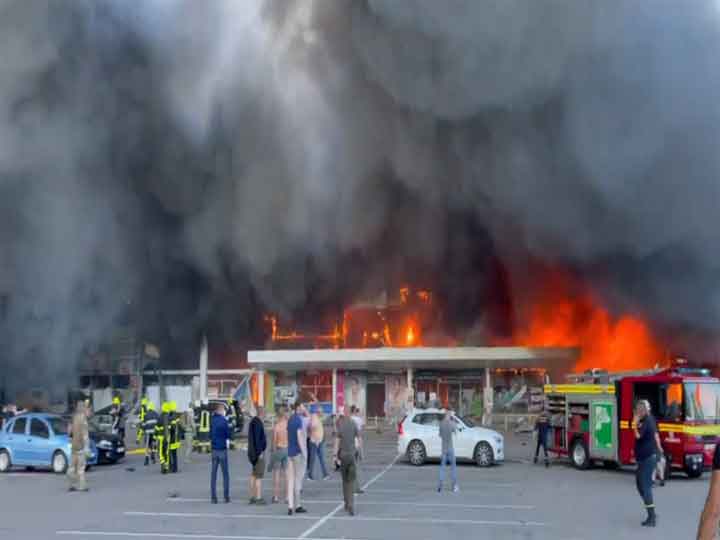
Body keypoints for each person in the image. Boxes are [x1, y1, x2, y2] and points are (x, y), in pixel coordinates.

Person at [634, 400, 662, 527]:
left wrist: (634, 424)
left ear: (645, 410)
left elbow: (638, 436)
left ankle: (652, 517)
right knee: (640, 485)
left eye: (640, 410)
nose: (638, 412)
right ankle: (651, 510)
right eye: (637, 409)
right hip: (643, 458)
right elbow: (654, 434)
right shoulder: (645, 420)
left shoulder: (648, 421)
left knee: (645, 486)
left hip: (648, 458)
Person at [334, 406, 360, 516]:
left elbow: (337, 440)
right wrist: (360, 451)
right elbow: (359, 438)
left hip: (343, 456)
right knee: (351, 480)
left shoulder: (341, 424)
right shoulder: (354, 424)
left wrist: (334, 455)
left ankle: (346, 503)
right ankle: (351, 504)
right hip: (352, 456)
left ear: (344, 413)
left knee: (345, 480)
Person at [287, 402, 308, 515]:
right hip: (297, 453)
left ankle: (290, 506)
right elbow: (299, 437)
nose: (303, 409)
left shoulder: (290, 420)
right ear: (298, 408)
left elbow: (288, 436)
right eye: (301, 407)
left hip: (289, 452)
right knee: (297, 480)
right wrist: (304, 452)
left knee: (290, 480)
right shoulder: (299, 420)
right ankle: (298, 505)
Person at [210, 402, 232, 504]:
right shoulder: (223, 421)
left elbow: (210, 433)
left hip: (214, 449)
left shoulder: (212, 420)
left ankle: (213, 497)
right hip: (222, 449)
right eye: (223, 410)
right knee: (225, 474)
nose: (224, 412)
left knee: (213, 475)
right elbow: (228, 434)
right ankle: (226, 496)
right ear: (220, 410)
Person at [67, 401, 90, 492]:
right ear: (83, 409)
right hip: (81, 447)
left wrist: (71, 438)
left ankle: (71, 485)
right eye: (87, 409)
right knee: (81, 468)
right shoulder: (83, 420)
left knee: (72, 467)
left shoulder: (73, 418)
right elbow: (85, 435)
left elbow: (69, 432)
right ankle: (82, 486)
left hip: (73, 446)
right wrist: (87, 447)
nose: (89, 411)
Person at [248, 406, 267, 505]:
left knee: (253, 474)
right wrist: (260, 452)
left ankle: (252, 496)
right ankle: (258, 497)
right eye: (265, 413)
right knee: (258, 476)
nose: (266, 415)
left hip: (252, 453)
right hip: (257, 453)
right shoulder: (258, 423)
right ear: (262, 413)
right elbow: (257, 440)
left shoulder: (253, 422)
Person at [270, 406, 289, 504]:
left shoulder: (277, 426)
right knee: (286, 474)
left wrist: (272, 452)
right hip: (287, 449)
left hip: (279, 449)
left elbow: (273, 442)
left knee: (276, 474)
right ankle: (287, 497)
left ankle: (276, 496)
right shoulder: (288, 425)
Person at [437, 409, 458, 493]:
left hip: (443, 448)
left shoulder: (441, 423)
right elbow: (456, 431)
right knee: (453, 467)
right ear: (449, 415)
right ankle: (454, 486)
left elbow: (440, 435)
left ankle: (440, 486)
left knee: (442, 468)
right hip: (450, 448)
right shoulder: (451, 423)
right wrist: (453, 420)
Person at [307, 404, 329, 481]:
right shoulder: (314, 418)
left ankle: (325, 474)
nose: (322, 413)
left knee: (320, 458)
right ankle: (310, 475)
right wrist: (313, 438)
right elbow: (311, 427)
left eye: (322, 412)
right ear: (318, 412)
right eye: (321, 412)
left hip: (319, 441)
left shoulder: (318, 418)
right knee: (313, 459)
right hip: (314, 441)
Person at [350, 406, 365, 494]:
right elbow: (359, 436)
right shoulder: (358, 420)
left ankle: (351, 487)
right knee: (355, 468)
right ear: (355, 411)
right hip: (355, 446)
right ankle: (356, 487)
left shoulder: (346, 420)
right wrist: (361, 451)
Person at [142, 401, 159, 466]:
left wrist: (144, 430)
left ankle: (146, 459)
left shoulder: (146, 415)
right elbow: (158, 423)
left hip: (148, 433)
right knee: (154, 444)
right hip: (154, 432)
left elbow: (143, 425)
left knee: (147, 446)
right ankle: (153, 457)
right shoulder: (156, 414)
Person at [168, 401, 181, 473]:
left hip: (171, 439)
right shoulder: (177, 416)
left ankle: (171, 467)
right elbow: (179, 427)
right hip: (176, 439)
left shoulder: (170, 416)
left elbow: (171, 428)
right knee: (174, 455)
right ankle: (175, 468)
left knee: (170, 454)